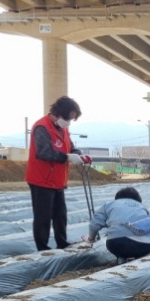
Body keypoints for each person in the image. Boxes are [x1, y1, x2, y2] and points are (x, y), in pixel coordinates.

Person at [25, 95, 90, 251]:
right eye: (69, 118)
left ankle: (62, 242)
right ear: (59, 113)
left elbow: (70, 147)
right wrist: (66, 157)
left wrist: (78, 155)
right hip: (42, 179)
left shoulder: (63, 129)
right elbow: (44, 152)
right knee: (43, 217)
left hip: (58, 180)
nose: (69, 122)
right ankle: (43, 247)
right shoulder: (42, 127)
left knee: (60, 215)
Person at [83, 187, 150, 264]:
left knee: (119, 243)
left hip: (119, 244)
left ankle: (122, 259)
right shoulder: (142, 207)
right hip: (146, 245)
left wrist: (91, 239)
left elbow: (94, 225)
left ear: (118, 198)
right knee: (138, 250)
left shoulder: (109, 205)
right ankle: (137, 260)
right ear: (138, 199)